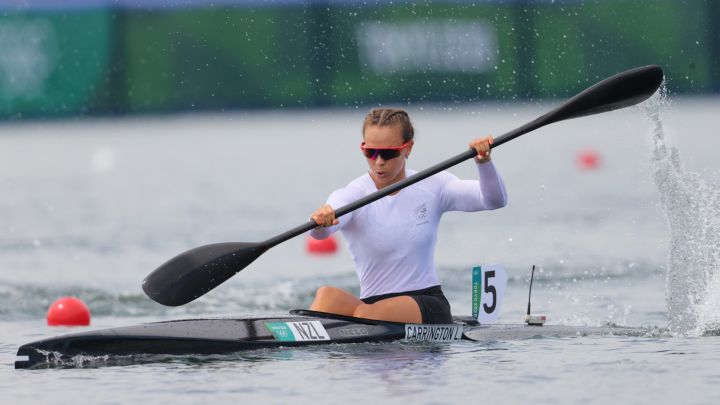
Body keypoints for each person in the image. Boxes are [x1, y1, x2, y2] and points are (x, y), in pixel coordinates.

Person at [309, 108, 507, 324]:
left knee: (366, 314)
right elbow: (320, 234)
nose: (378, 162)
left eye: (388, 153)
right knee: (325, 296)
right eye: (370, 152)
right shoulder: (353, 194)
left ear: (408, 148)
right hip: (372, 306)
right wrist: (321, 221)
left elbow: (493, 200)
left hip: (425, 302)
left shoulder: (433, 185)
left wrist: (483, 163)